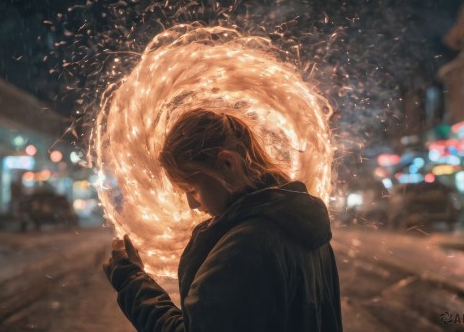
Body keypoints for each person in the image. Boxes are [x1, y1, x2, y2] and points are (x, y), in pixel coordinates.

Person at [103, 108, 343, 331]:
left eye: (192, 188)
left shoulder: (246, 248)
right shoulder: (306, 225)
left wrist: (132, 282)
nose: (193, 204)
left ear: (227, 163)